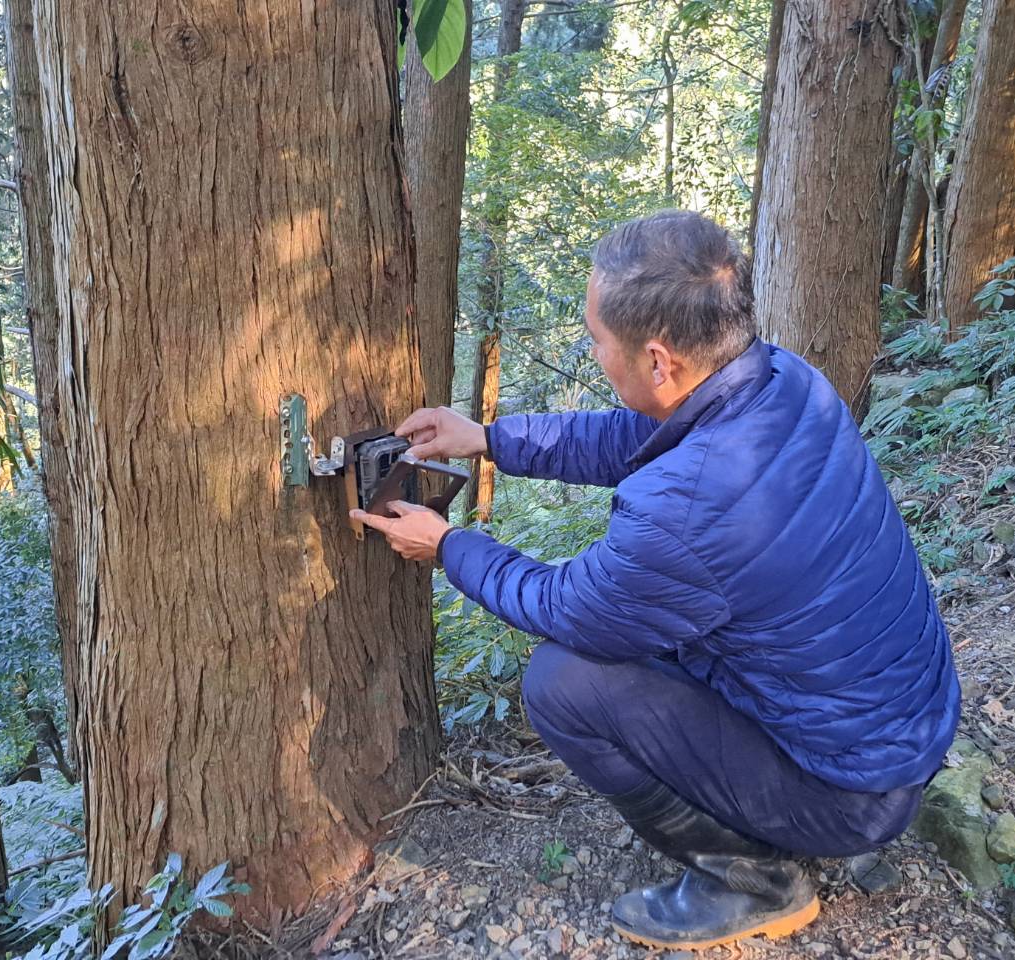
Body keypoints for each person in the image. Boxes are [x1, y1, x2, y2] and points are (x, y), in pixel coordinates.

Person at [353, 210, 960, 951]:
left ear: (658, 360)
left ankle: (754, 883)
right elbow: (639, 437)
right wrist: (488, 439)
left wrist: (448, 546)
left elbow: (566, 607)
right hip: (898, 730)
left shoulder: (686, 510)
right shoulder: (779, 381)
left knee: (562, 684)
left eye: (596, 339)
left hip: (849, 793)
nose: (592, 351)